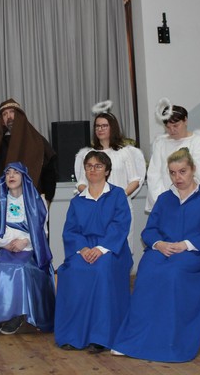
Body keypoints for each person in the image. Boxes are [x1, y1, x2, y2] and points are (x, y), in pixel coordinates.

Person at [112, 148, 200, 362]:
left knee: (173, 274)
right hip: (163, 251)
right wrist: (159, 244)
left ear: (193, 169)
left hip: (192, 254)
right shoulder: (164, 199)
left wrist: (186, 245)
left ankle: (171, 341)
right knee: (146, 270)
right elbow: (149, 230)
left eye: (182, 171)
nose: (177, 177)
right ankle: (135, 339)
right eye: (172, 173)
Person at [54, 151, 133, 353]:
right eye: (89, 166)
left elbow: (120, 225)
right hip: (83, 250)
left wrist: (100, 248)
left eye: (98, 166)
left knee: (101, 270)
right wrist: (83, 249)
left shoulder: (117, 195)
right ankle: (73, 334)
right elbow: (70, 231)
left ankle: (101, 337)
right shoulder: (77, 201)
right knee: (71, 271)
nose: (93, 170)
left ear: (107, 171)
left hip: (112, 250)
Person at [0, 162, 55, 338]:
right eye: (8, 173)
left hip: (30, 248)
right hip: (4, 248)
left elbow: (43, 232)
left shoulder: (37, 201)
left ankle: (18, 314)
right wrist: (5, 244)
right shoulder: (0, 202)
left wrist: (25, 241)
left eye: (16, 173)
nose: (11, 176)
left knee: (21, 268)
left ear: (24, 177)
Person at [73, 101, 146, 247]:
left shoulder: (124, 152)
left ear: (113, 128)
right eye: (97, 126)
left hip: (120, 207)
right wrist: (96, 198)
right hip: (95, 209)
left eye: (104, 126)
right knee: (97, 248)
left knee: (121, 247)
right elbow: (81, 183)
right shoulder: (88, 154)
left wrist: (117, 197)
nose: (100, 129)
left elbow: (135, 180)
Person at [0, 98, 57, 219]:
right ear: (2, 121)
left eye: (12, 112)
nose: (9, 117)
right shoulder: (0, 145)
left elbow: (49, 173)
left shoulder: (36, 141)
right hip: (5, 205)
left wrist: (47, 199)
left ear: (20, 116)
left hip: (33, 204)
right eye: (5, 114)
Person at [145, 99, 200, 212]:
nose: (172, 130)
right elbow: (153, 176)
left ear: (185, 121)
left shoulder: (197, 142)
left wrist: (188, 199)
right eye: (168, 127)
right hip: (165, 202)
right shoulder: (161, 143)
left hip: (190, 201)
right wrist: (163, 201)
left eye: (175, 125)